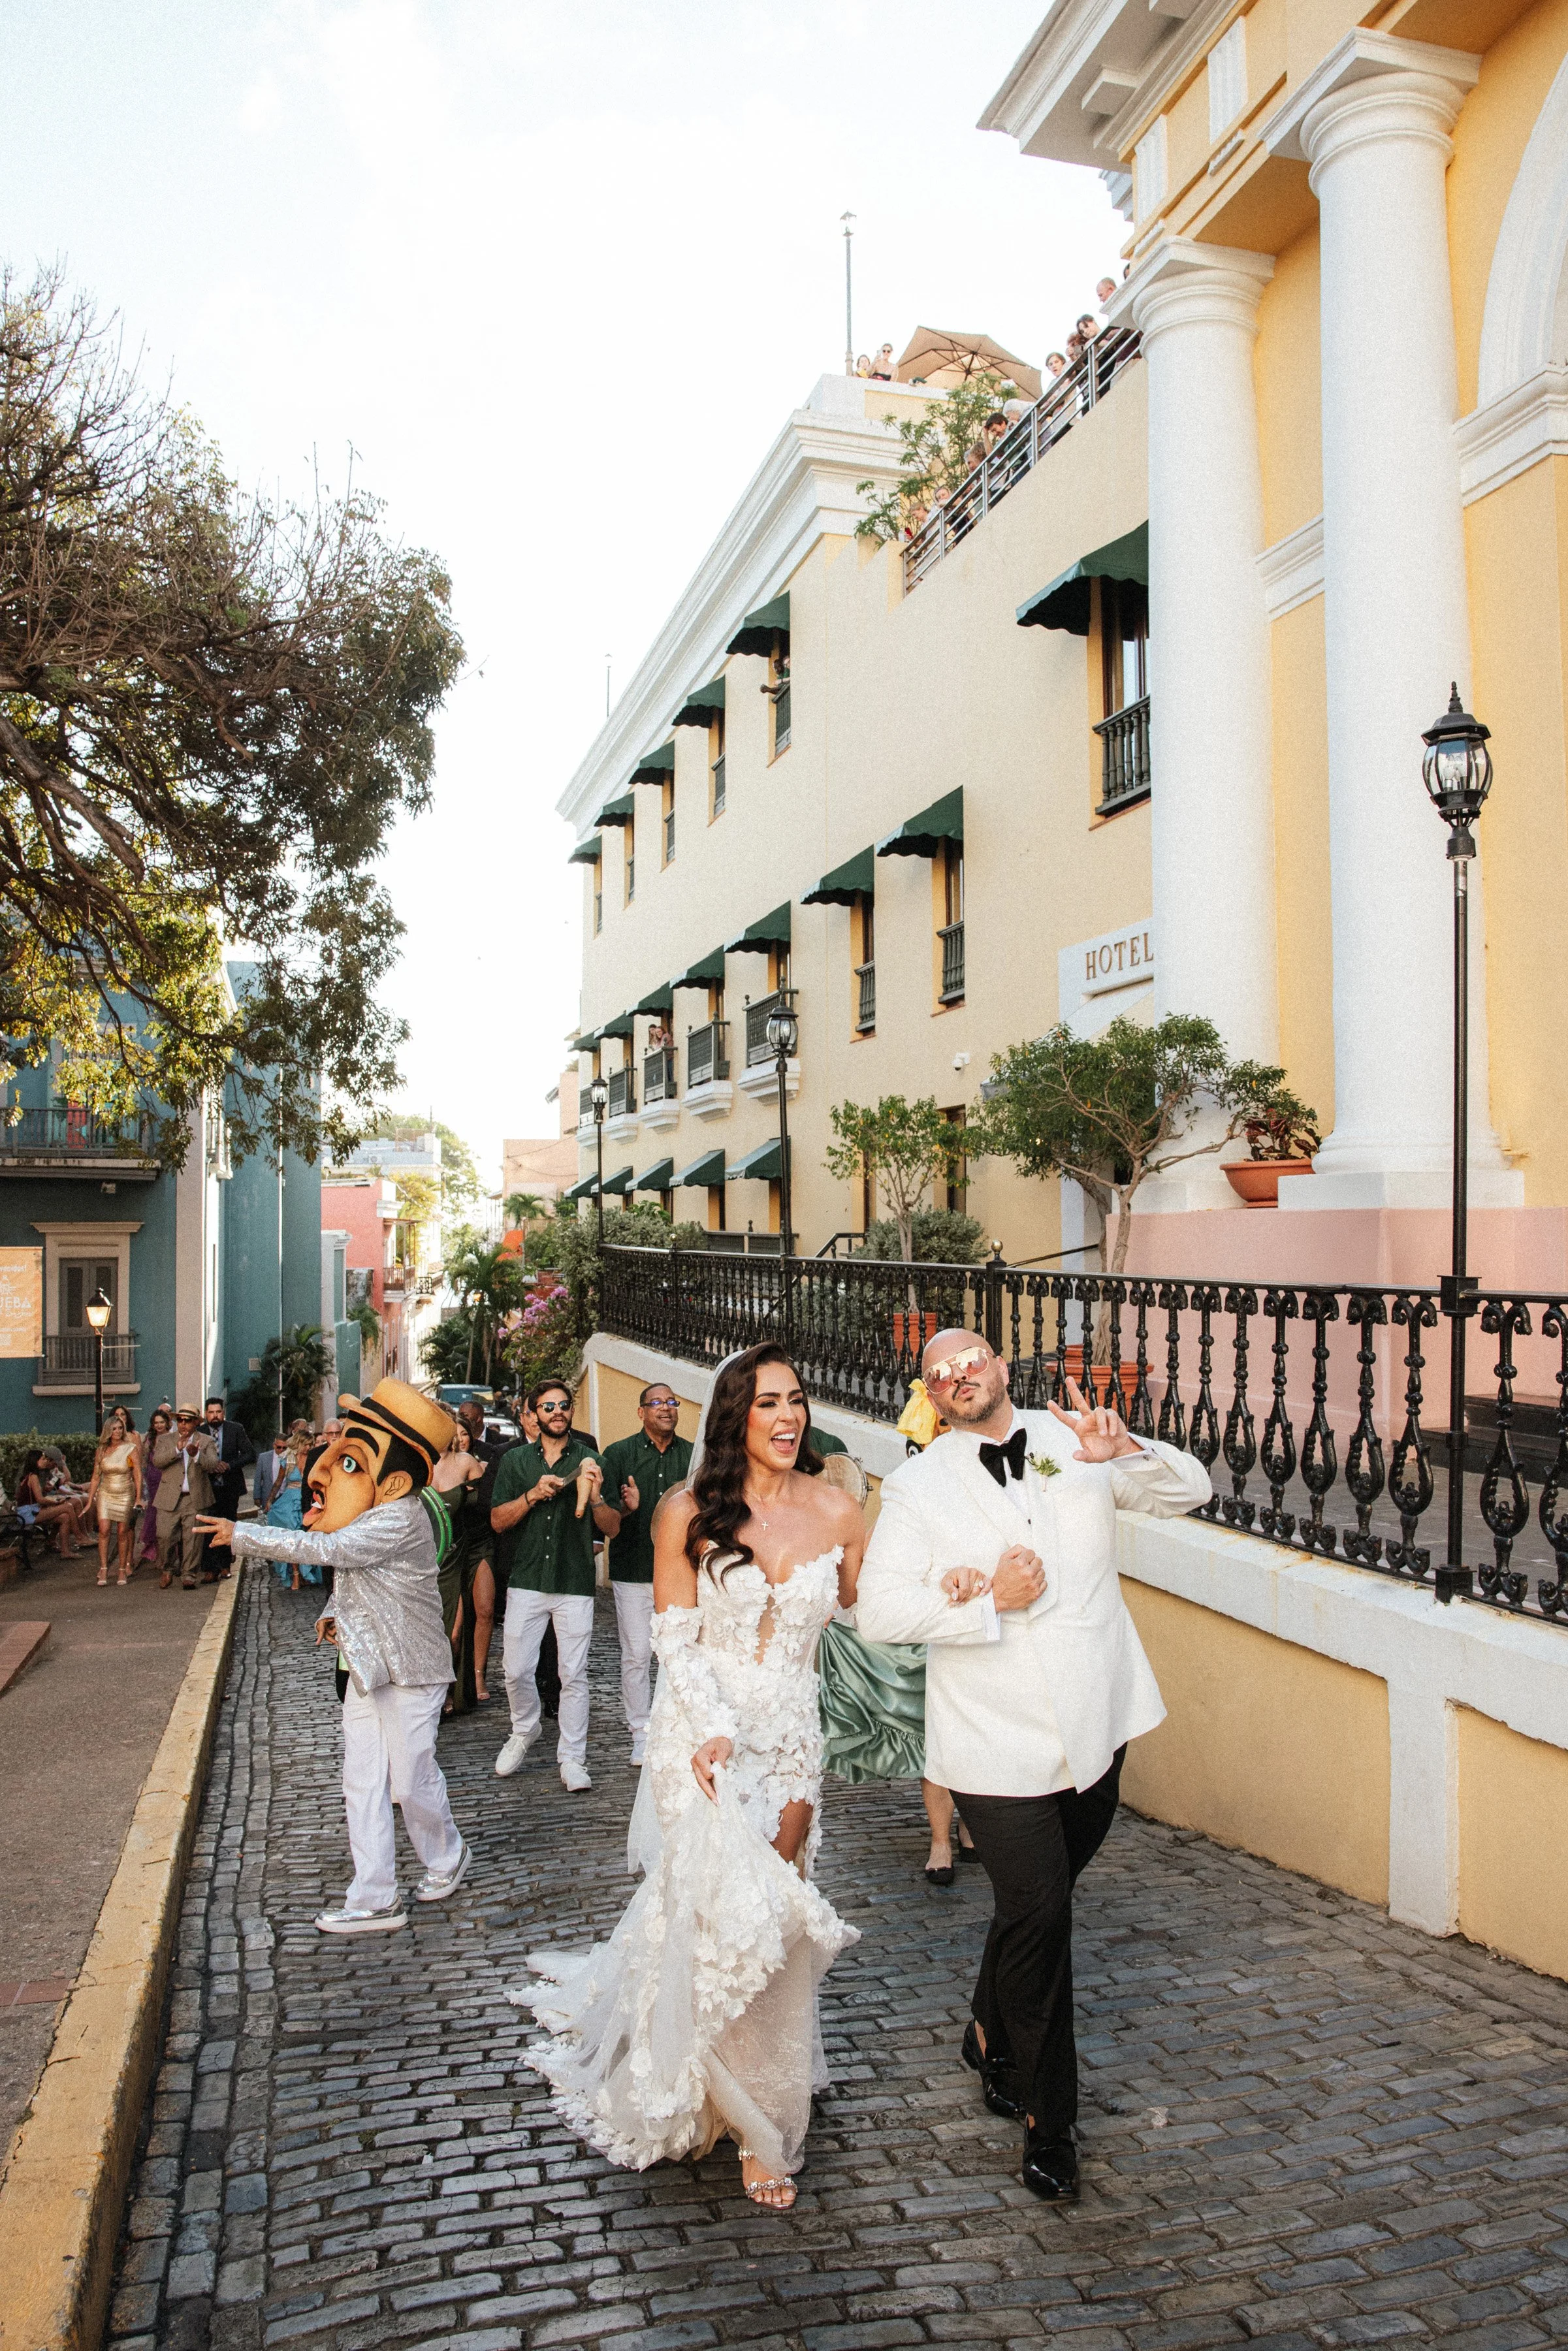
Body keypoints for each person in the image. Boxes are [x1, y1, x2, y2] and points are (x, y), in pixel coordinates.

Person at [856, 1332, 1210, 2204]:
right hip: (992, 1738)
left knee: (1032, 1907)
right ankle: (1051, 2122)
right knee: (1043, 1918)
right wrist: (986, 1605)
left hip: (1098, 1720)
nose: (956, 1375)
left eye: (968, 1358)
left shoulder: (1074, 1441)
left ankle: (987, 2029)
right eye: (938, 1373)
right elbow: (880, 1613)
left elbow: (1192, 1492)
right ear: (931, 1397)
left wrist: (1125, 1449)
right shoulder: (915, 1487)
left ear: (1001, 1368)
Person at [511, 1344, 865, 2209]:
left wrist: (970, 1585)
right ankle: (751, 2122)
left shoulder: (841, 1510)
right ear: (737, 1415)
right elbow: (675, 1640)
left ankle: (763, 2082)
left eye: (798, 1399)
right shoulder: (683, 1511)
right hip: (702, 1735)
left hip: (792, 1735)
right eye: (768, 1401)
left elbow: (876, 1611)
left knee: (777, 1921)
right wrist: (710, 1733)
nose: (788, 1417)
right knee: (723, 1919)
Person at [201, 1379, 471, 1933]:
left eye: (350, 1463)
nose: (325, 1471)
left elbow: (330, 1551)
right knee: (361, 1780)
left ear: (394, 1479)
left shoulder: (397, 1517)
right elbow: (345, 1571)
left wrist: (242, 1535)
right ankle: (375, 1896)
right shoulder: (378, 1511)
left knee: (409, 1782)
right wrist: (333, 1623)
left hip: (413, 1672)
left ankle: (447, 1856)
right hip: (365, 1668)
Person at [490, 1377, 616, 1791]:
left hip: (574, 1581)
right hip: (526, 1579)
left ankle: (573, 1758)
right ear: (532, 1416)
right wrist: (531, 1496)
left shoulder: (592, 1459)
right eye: (548, 1407)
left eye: (563, 1405)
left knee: (573, 1674)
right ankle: (525, 1729)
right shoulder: (515, 1463)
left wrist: (596, 1497)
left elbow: (612, 1526)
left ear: (571, 1411)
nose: (557, 1412)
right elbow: (497, 1521)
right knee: (515, 1670)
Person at [596, 1383, 693, 1766]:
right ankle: (641, 1733)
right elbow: (604, 1515)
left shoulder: (694, 1455)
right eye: (657, 1403)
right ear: (641, 1413)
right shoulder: (618, 1454)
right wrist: (627, 1507)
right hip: (634, 1568)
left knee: (681, 1653)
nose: (666, 1409)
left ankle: (679, 1731)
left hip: (683, 1570)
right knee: (636, 1654)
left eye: (672, 1401)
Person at [430, 1418, 489, 1714]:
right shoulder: (419, 1465)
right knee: (431, 1632)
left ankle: (454, 1689)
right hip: (427, 1561)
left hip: (458, 1556)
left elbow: (485, 1504)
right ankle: (434, 1695)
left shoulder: (466, 1461)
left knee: (454, 1633)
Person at [152, 1407, 221, 1590]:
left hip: (195, 1497)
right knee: (164, 1535)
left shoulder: (206, 1441)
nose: (183, 1424)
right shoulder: (166, 1440)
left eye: (188, 1420)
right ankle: (167, 1569)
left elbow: (213, 1465)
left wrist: (196, 1455)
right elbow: (157, 1462)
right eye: (180, 1420)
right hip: (169, 1498)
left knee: (193, 1539)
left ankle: (189, 1575)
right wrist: (177, 1449)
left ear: (196, 1422)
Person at [86, 1407, 143, 1586]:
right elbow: (96, 1476)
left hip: (125, 1491)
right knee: (103, 1530)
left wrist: (138, 1498)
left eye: (120, 1428)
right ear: (108, 1431)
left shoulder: (131, 1448)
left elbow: (138, 1474)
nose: (117, 1432)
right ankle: (103, 1568)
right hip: (105, 1492)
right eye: (114, 1428)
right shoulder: (101, 1450)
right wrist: (90, 1500)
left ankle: (121, 1569)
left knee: (122, 1532)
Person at [200, 1395, 255, 1579]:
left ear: (223, 1413)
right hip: (207, 1487)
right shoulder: (199, 1432)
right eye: (211, 1413)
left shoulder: (235, 1429)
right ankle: (210, 1568)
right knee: (208, 1526)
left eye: (218, 1412)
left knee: (228, 1523)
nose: (215, 1416)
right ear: (206, 1414)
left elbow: (249, 1454)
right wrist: (211, 1466)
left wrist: (229, 1465)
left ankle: (225, 1565)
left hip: (230, 1486)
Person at [265, 1431, 318, 1591]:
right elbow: (278, 1482)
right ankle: (295, 1574)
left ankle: (306, 1573)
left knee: (307, 1537)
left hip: (307, 1499)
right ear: (299, 1443)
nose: (309, 1447)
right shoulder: (287, 1459)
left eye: (311, 1444)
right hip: (289, 1500)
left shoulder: (314, 1458)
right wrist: (270, 1500)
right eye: (306, 1444)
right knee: (292, 1537)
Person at [16, 1448, 84, 1557]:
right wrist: (57, 1503)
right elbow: (40, 1499)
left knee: (65, 1517)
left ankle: (65, 1552)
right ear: (35, 1461)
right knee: (67, 1506)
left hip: (33, 1509)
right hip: (27, 1514)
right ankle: (80, 1538)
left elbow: (37, 1494)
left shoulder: (33, 1475)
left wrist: (48, 1493)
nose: (46, 1461)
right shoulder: (33, 1476)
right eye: (43, 1459)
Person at [139, 1406, 174, 1569]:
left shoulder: (174, 1437)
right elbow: (144, 1463)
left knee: (169, 1520)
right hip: (153, 1483)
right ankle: (159, 1556)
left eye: (162, 1422)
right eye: (156, 1423)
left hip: (170, 1481)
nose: (159, 1425)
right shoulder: (150, 1440)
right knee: (155, 1521)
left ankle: (170, 1557)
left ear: (167, 1423)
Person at [255, 1431, 289, 1514]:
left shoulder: (290, 1458)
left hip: (285, 1495)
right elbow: (258, 1478)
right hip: (268, 1494)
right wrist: (256, 1496)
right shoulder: (264, 1457)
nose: (281, 1450)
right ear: (274, 1445)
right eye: (279, 1447)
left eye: (284, 1448)